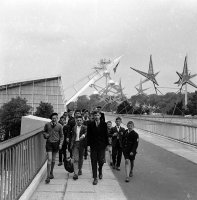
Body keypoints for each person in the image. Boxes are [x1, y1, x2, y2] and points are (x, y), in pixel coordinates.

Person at [87, 111, 108, 185]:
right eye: (95, 115)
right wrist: (88, 145)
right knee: (93, 161)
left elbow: (106, 135)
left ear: (100, 116)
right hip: (93, 146)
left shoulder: (104, 124)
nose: (96, 116)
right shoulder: (90, 124)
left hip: (102, 146)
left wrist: (107, 145)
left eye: (98, 115)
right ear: (93, 116)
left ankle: (100, 170)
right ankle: (95, 177)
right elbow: (88, 136)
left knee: (101, 161)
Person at [43, 113, 64, 184]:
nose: (54, 119)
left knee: (53, 159)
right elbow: (44, 132)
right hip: (49, 143)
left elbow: (62, 136)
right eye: (53, 118)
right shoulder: (47, 125)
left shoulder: (60, 126)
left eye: (55, 118)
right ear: (51, 118)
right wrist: (46, 135)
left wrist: (61, 144)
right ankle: (48, 176)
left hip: (56, 144)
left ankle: (51, 172)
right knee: (49, 159)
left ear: (57, 118)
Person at [70, 116, 87, 180]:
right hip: (75, 144)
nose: (79, 121)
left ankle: (80, 169)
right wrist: (71, 145)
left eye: (80, 120)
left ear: (82, 121)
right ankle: (75, 173)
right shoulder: (74, 128)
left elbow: (86, 132)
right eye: (78, 120)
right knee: (76, 159)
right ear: (76, 121)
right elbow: (73, 136)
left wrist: (83, 135)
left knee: (81, 158)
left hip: (82, 144)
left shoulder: (85, 127)